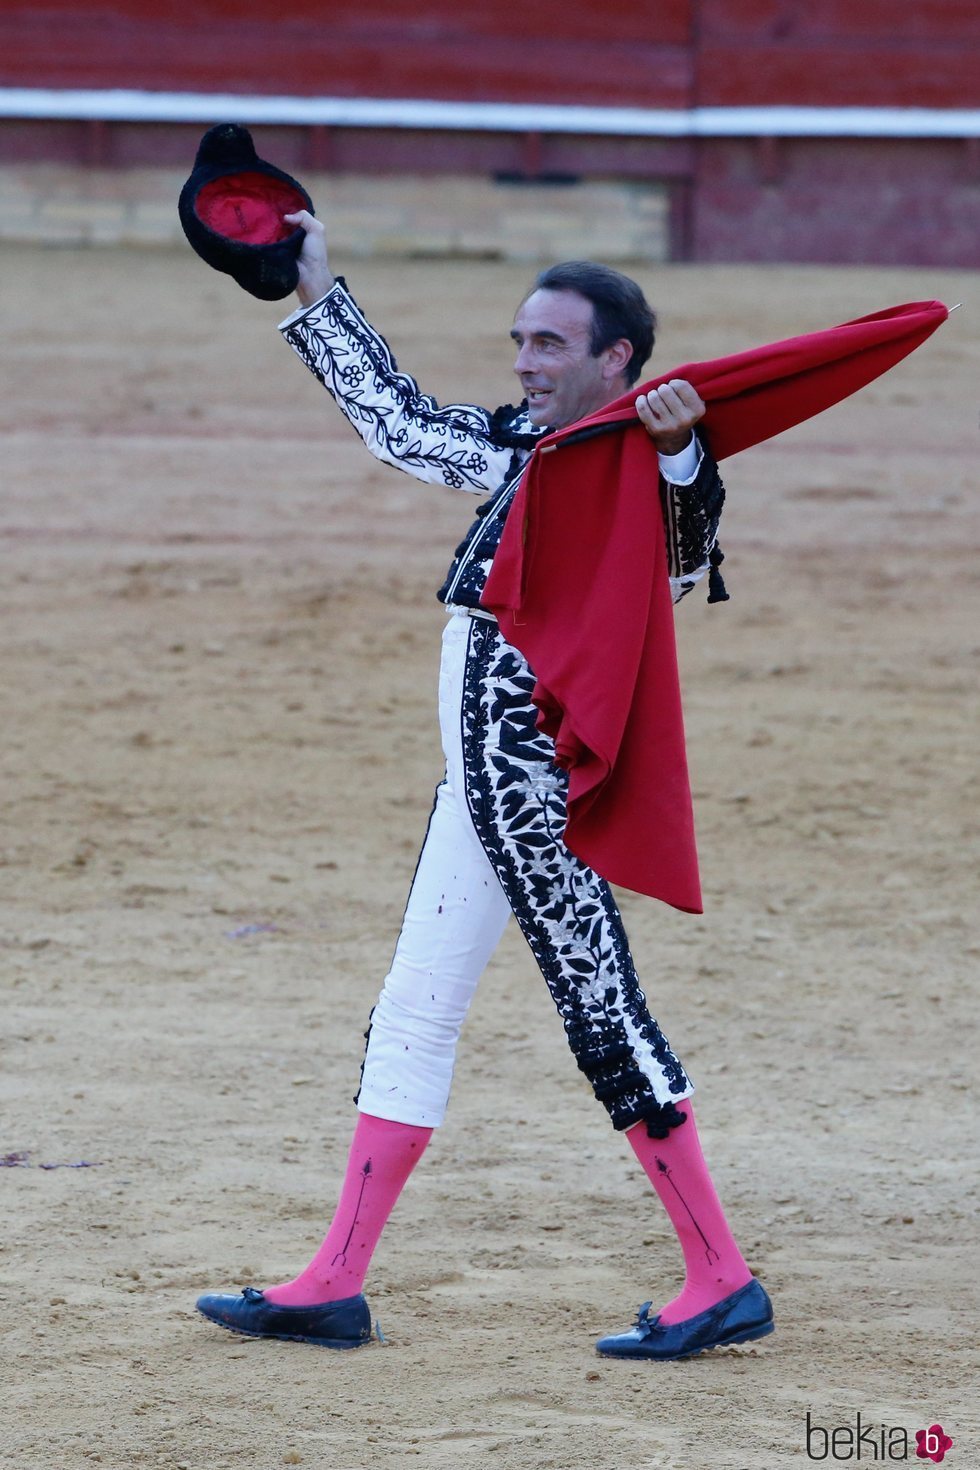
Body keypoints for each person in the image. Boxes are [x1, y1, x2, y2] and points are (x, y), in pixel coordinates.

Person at [195, 209, 774, 1360]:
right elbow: (401, 424)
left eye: (548, 344)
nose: (524, 360)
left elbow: (686, 555)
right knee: (415, 1004)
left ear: (615, 358)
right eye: (520, 340)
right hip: (478, 781)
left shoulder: (637, 463)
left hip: (531, 783)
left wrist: (679, 452)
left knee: (599, 1007)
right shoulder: (528, 447)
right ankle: (334, 1279)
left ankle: (719, 1275)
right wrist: (314, 291)